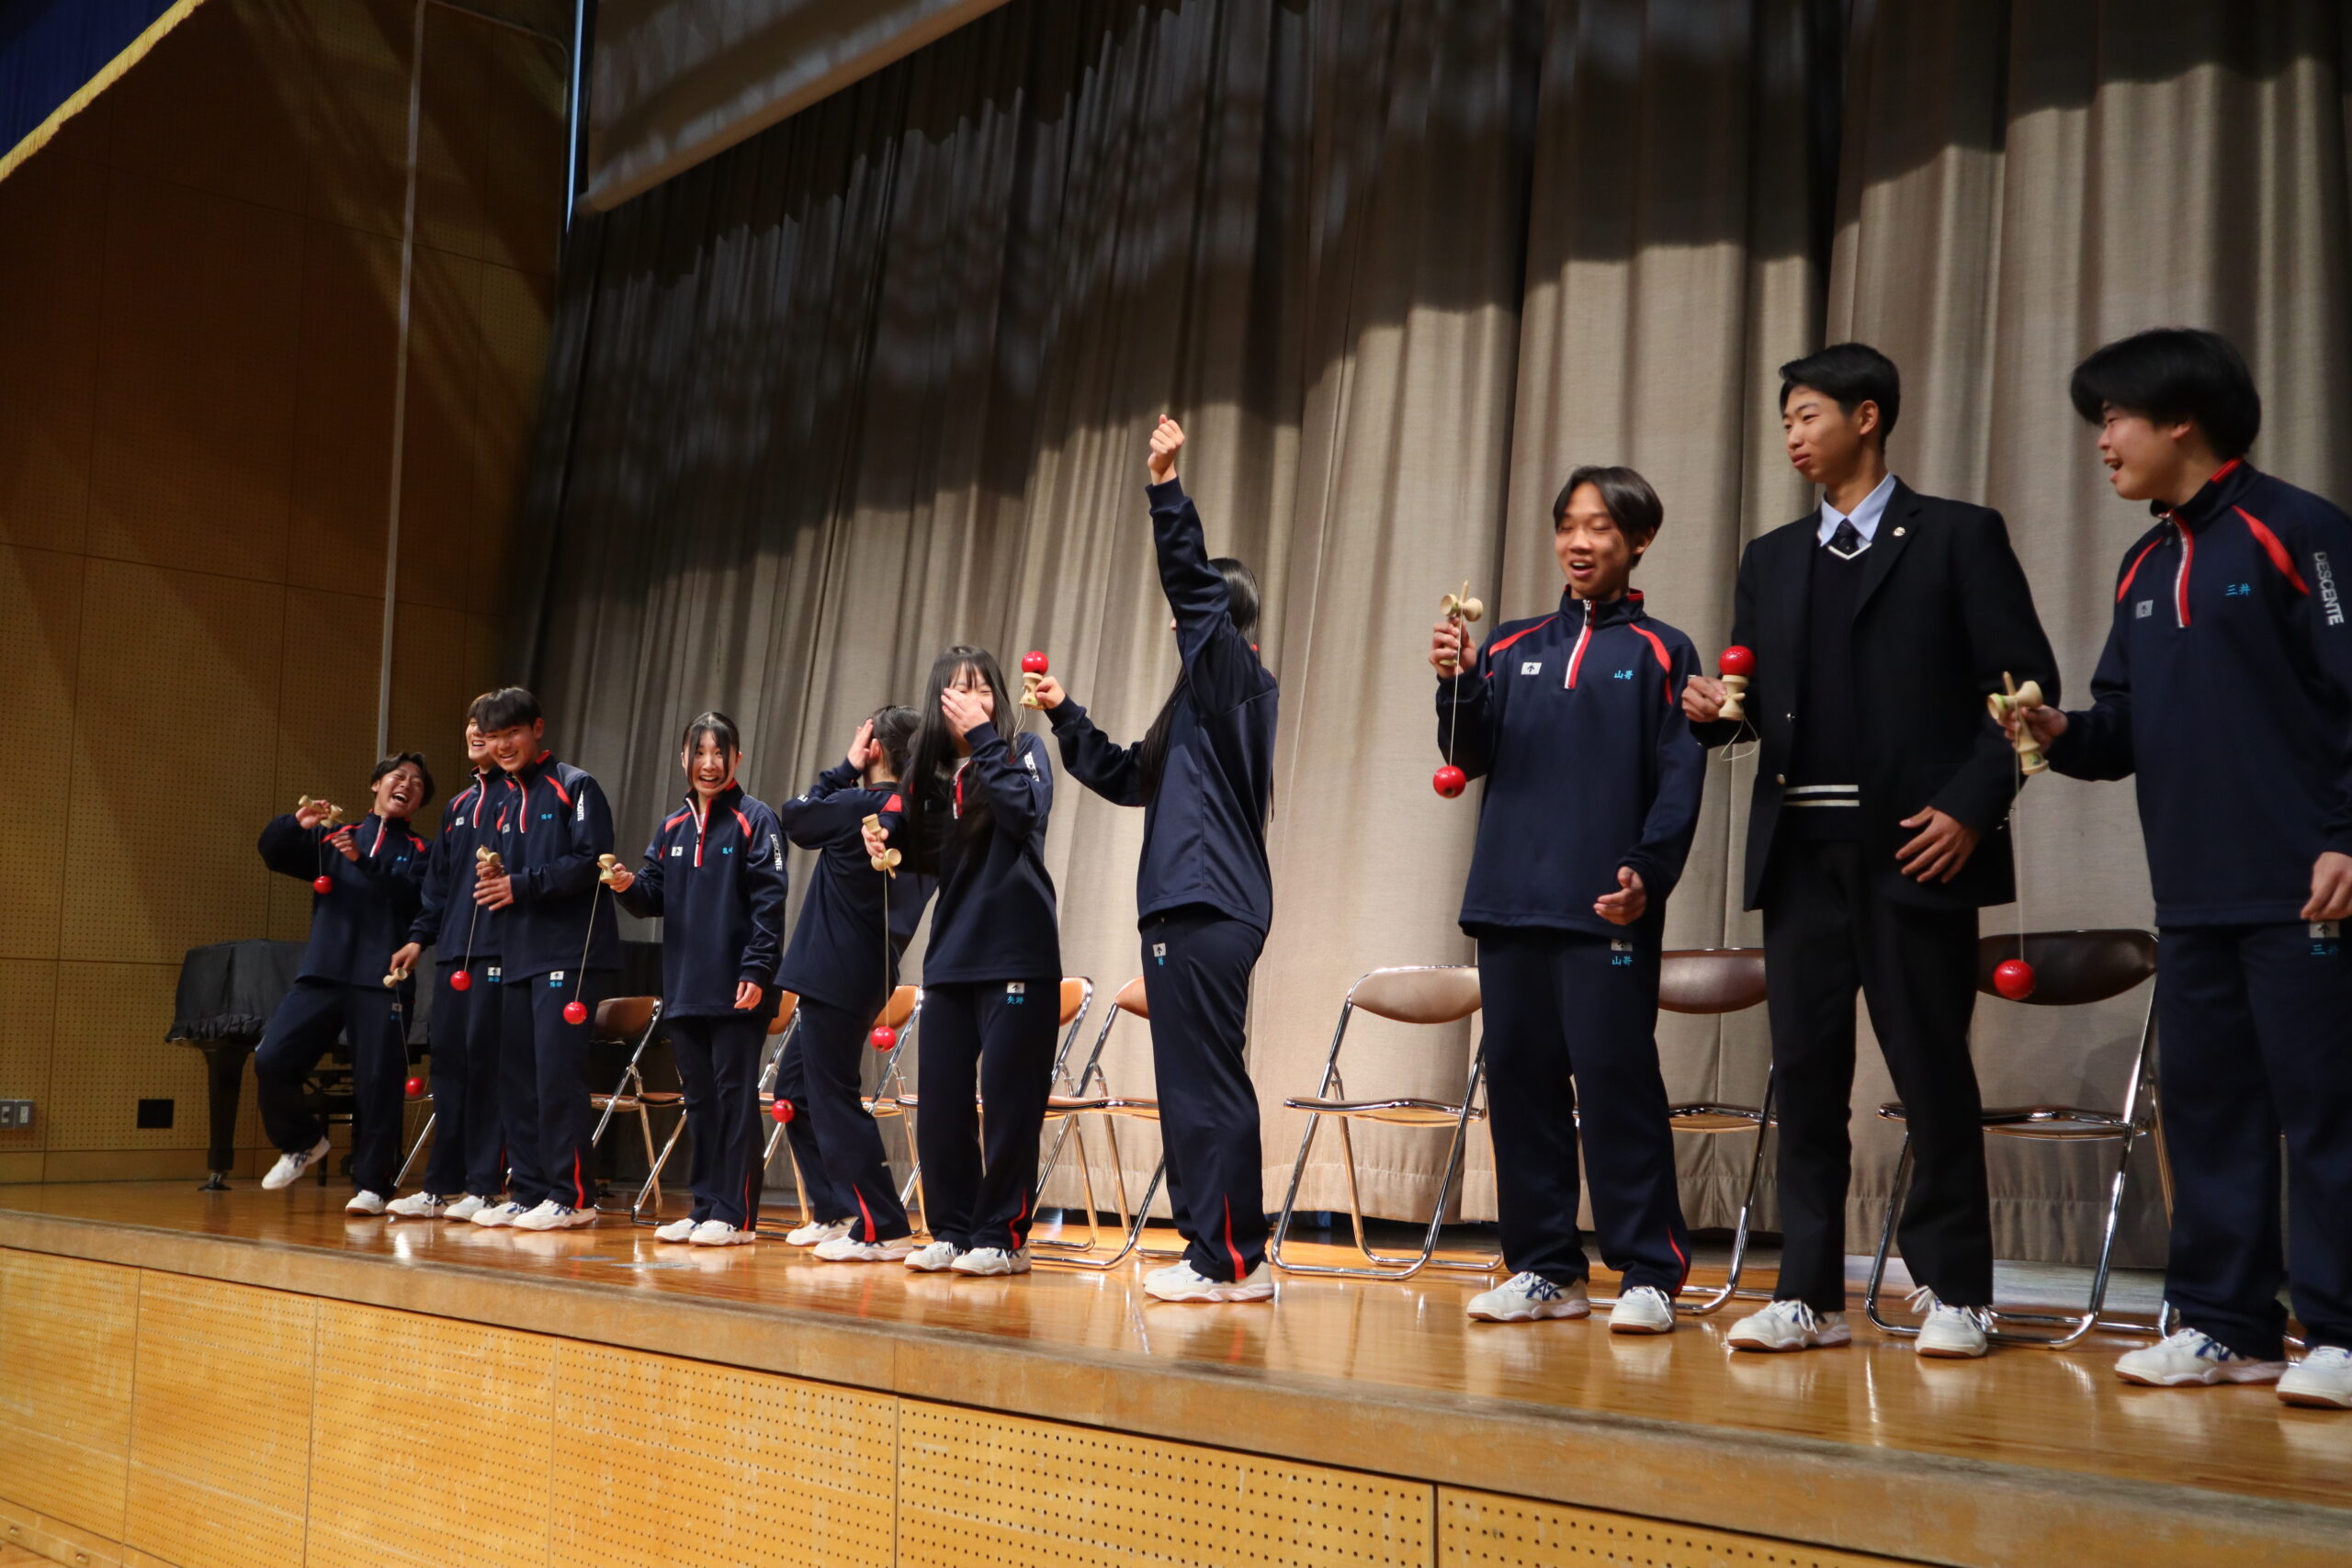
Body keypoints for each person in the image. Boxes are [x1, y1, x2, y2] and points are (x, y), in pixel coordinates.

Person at [1684, 343, 2057, 1359]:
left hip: (1916, 849)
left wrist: (1970, 809)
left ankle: (1958, 1291)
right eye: (1785, 421)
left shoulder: (1957, 535)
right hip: (1800, 854)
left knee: (1931, 1072)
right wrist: (1714, 712)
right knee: (1805, 1078)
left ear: (1867, 417)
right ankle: (1806, 1294)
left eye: (1807, 415)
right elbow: (1754, 707)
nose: (1793, 436)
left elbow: (2025, 692)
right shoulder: (1770, 558)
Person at [2003, 328, 2352, 1409]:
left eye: (2113, 418)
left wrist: (2346, 835)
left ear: (2180, 418)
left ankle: (2340, 1333)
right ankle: (2225, 1327)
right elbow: (2120, 729)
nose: (2101, 441)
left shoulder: (2299, 531)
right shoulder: (2142, 563)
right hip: (2191, 897)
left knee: (2327, 1115)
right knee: (2207, 1116)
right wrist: (2059, 731)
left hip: (2306, 889)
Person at [1429, 468, 1703, 1332]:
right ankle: (1545, 1265)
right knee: (1519, 1089)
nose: (1579, 542)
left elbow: (1680, 781)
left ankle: (1650, 1271)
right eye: (1567, 526)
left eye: (1600, 527)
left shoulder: (1664, 651)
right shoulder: (1508, 645)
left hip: (1607, 909)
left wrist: (1647, 871)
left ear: (1639, 541)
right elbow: (1465, 753)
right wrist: (1457, 680)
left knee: (1618, 1085)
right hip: (1509, 902)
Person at [1034, 416, 1279, 1303]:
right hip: (1179, 907)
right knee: (1187, 1088)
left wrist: (1167, 490)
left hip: (1211, 905)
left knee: (1209, 1083)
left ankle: (1234, 1259)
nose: (1180, 615)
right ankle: (1211, 1249)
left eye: (1197, 606)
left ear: (1224, 618)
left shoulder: (1235, 681)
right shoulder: (1193, 709)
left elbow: (1195, 592)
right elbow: (1122, 772)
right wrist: (1064, 711)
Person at [865, 648, 1059, 1277]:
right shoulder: (931, 777)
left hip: (1017, 953)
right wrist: (882, 838)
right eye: (958, 691)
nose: (972, 700)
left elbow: (1023, 813)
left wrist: (983, 739)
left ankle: (1003, 1235)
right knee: (943, 1105)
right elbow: (922, 858)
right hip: (951, 959)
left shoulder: (1022, 751)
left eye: (982, 689)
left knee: (1009, 1105)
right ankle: (952, 1228)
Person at [610, 713, 789, 1247]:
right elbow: (651, 896)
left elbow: (770, 903)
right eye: (699, 753)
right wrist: (625, 884)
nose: (708, 764)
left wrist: (757, 969)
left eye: (719, 753)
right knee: (700, 1101)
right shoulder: (672, 827)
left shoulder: (756, 819)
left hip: (738, 987)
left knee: (734, 1099)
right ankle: (706, 1205)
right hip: (685, 989)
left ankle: (736, 1215)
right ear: (683, 759)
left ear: (737, 759)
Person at [772, 706, 937, 1262]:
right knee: (795, 1091)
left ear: (876, 749)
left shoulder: (864, 804)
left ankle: (881, 1224)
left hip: (838, 969)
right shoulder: (919, 812)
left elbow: (794, 816)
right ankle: (837, 1209)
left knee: (832, 1097)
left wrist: (844, 767)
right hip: (861, 969)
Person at [464, 687, 620, 1232]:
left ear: (537, 729)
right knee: (516, 1078)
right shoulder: (505, 800)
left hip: (567, 955)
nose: (503, 745)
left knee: (556, 1076)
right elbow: (510, 874)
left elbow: (591, 860)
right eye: (493, 736)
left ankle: (572, 1196)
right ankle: (528, 1191)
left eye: (512, 733)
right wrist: (495, 876)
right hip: (517, 953)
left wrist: (520, 884)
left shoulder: (575, 786)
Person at [254, 755, 433, 1213]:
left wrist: (362, 861)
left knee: (378, 1084)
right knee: (272, 1059)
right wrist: (295, 824)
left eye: (416, 783)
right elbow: (273, 853)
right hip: (323, 972)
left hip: (383, 979)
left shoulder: (422, 851)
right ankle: (302, 1141)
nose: (406, 785)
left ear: (419, 802)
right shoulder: (334, 835)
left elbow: (419, 900)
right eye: (398, 777)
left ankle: (373, 1185)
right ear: (375, 784)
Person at [386, 714, 504, 1220]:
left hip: (499, 953)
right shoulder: (457, 806)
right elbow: (436, 889)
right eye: (472, 723)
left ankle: (484, 1185)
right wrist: (418, 939)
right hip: (454, 954)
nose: (476, 732)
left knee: (486, 1070)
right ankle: (440, 1186)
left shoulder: (520, 798)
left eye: (489, 726)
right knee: (449, 1069)